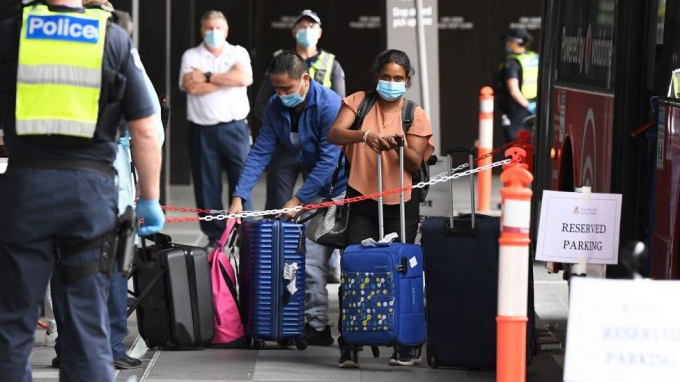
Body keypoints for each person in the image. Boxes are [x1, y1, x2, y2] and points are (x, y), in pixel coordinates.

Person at [0, 0, 164, 380]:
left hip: (26, 191)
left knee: (12, 326)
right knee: (88, 327)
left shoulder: (13, 33)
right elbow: (145, 128)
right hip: (90, 196)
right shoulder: (111, 38)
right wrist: (151, 199)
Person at [47, 2, 166, 371]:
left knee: (61, 264)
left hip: (46, 177)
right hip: (104, 178)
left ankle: (67, 347)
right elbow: (148, 128)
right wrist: (150, 197)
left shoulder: (50, 52)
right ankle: (110, 344)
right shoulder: (120, 54)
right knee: (111, 265)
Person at [228, 51, 346, 347]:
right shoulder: (274, 107)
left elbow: (328, 162)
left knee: (336, 260)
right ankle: (317, 326)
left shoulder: (329, 105)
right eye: (276, 89)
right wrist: (239, 196)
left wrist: (298, 199)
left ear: (305, 80)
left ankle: (340, 327)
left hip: (345, 189)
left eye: (287, 89)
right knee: (311, 260)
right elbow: (260, 152)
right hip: (315, 189)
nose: (281, 95)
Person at [327, 49, 434, 368]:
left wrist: (399, 143)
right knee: (354, 270)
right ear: (377, 76)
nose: (391, 83)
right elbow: (334, 134)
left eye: (398, 78)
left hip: (401, 202)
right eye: (386, 77)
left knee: (400, 270)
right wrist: (365, 136)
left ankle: (404, 343)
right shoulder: (359, 101)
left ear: (408, 80)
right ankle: (350, 342)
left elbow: (417, 162)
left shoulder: (414, 113)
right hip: (361, 198)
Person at [255, 9, 346, 283]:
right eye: (301, 25)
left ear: (319, 32)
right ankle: (277, 259)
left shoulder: (332, 64)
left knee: (323, 205)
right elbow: (262, 103)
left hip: (319, 150)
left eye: (311, 25)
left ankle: (325, 261)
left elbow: (342, 110)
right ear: (293, 31)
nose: (306, 29)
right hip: (286, 149)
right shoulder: (280, 62)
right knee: (278, 206)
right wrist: (283, 130)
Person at [179, 10, 254, 250]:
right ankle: (214, 236)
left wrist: (207, 76)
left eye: (217, 28)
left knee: (242, 182)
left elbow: (242, 78)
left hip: (235, 129)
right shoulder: (191, 55)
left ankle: (247, 232)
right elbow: (191, 87)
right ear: (201, 30)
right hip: (202, 130)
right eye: (208, 28)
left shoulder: (238, 52)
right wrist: (225, 79)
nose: (213, 33)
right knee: (206, 185)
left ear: (226, 30)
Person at [495, 27, 539, 143]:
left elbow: (514, 91)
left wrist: (527, 106)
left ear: (515, 42)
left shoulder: (512, 63)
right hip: (534, 107)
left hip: (516, 111)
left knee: (515, 147)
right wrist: (533, 107)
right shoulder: (535, 58)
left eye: (509, 41)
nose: (508, 44)